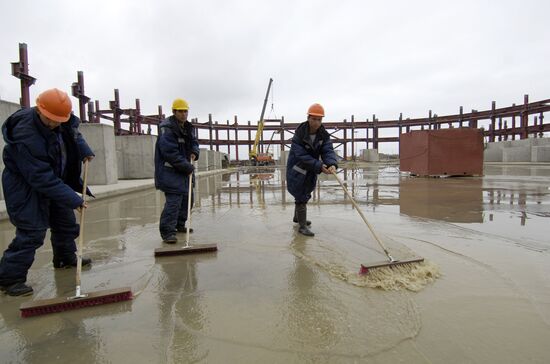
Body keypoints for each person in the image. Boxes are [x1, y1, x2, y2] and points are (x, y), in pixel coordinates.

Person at [0, 88, 95, 296]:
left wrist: (84, 150)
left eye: (58, 120)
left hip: (55, 179)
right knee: (32, 231)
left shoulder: (62, 120)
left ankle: (64, 258)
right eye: (50, 119)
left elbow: (73, 133)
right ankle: (9, 279)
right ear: (39, 109)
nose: (54, 124)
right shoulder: (26, 134)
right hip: (26, 185)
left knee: (65, 224)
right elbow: (40, 177)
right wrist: (73, 198)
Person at [286, 103, 338, 236]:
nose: (316, 122)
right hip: (297, 168)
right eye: (314, 119)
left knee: (305, 192)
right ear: (308, 118)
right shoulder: (299, 136)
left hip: (311, 168)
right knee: (301, 195)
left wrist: (331, 163)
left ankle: (297, 218)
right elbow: (302, 156)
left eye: (319, 120)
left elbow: (327, 150)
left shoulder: (323, 135)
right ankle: (302, 227)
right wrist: (319, 166)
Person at [154, 98, 199, 244]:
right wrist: (187, 166)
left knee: (187, 200)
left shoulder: (187, 127)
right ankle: (167, 232)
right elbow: (170, 153)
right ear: (174, 111)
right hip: (170, 172)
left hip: (184, 171)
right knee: (174, 203)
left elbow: (194, 142)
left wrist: (194, 151)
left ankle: (180, 225)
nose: (184, 114)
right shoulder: (167, 128)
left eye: (185, 111)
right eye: (180, 111)